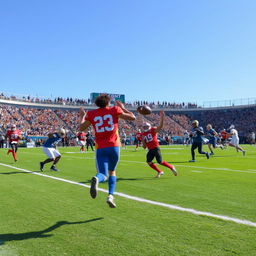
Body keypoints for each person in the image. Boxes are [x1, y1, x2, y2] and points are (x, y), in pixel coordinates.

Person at [79, 94, 136, 208]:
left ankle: (97, 179)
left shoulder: (92, 114)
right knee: (112, 172)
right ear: (108, 102)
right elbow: (132, 117)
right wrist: (123, 107)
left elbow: (81, 128)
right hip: (114, 146)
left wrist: (83, 116)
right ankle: (110, 196)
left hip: (101, 147)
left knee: (103, 174)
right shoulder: (114, 109)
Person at [141, 111, 177, 178]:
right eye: (144, 127)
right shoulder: (143, 134)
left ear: (149, 126)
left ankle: (171, 167)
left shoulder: (153, 130)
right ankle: (159, 171)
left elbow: (160, 127)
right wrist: (143, 140)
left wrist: (162, 118)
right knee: (149, 162)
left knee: (160, 162)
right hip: (150, 149)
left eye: (146, 126)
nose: (145, 128)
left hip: (155, 148)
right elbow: (144, 147)